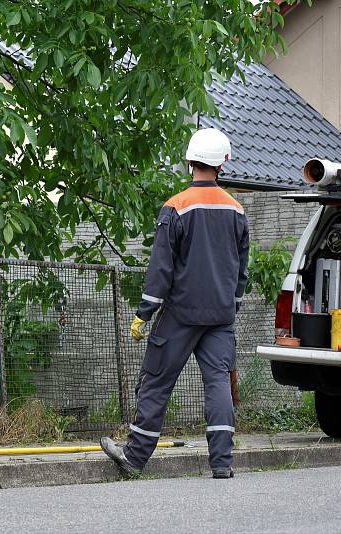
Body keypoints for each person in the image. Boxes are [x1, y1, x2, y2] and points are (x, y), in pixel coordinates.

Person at [101, 128, 249, 479]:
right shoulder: (237, 210)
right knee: (217, 383)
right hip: (221, 317)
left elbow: (161, 268)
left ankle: (134, 457)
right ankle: (223, 464)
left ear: (189, 161)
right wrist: (232, 307)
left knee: (156, 381)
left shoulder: (176, 207)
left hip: (181, 313)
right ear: (222, 164)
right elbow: (241, 271)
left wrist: (143, 313)